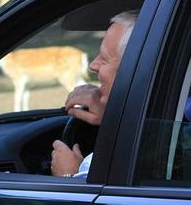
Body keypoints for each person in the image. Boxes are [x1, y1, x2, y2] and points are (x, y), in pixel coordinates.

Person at [51, 10, 139, 178]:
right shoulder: (176, 113)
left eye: (105, 59)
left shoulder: (92, 166)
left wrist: (70, 176)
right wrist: (112, 115)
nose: (93, 65)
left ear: (134, 69)